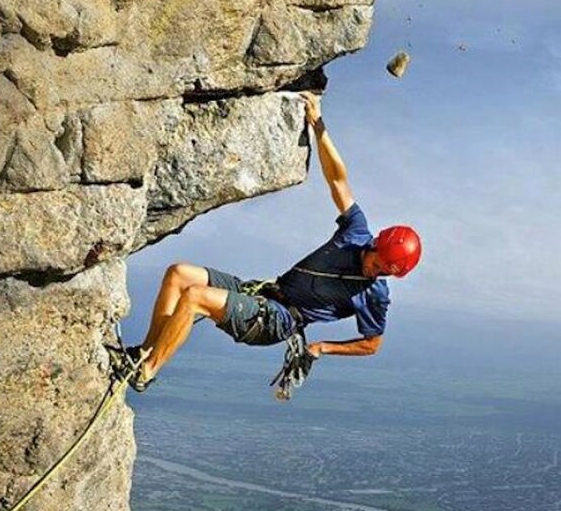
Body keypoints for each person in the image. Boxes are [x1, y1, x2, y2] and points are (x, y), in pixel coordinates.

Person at [111, 91, 421, 392]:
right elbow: (337, 179)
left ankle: (146, 373)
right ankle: (144, 354)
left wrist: (321, 348)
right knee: (179, 273)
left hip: (277, 320)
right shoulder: (355, 231)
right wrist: (318, 125)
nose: (374, 273)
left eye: (384, 273)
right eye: (377, 264)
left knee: (194, 297)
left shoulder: (375, 294)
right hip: (263, 291)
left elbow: (372, 344)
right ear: (376, 245)